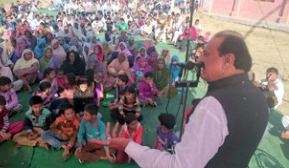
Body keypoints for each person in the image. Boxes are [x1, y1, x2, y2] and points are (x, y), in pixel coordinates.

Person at [97, 30, 269, 168]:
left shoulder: (213, 106)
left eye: (206, 54)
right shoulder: (260, 100)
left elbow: (179, 165)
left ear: (228, 60)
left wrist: (129, 145)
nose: (199, 59)